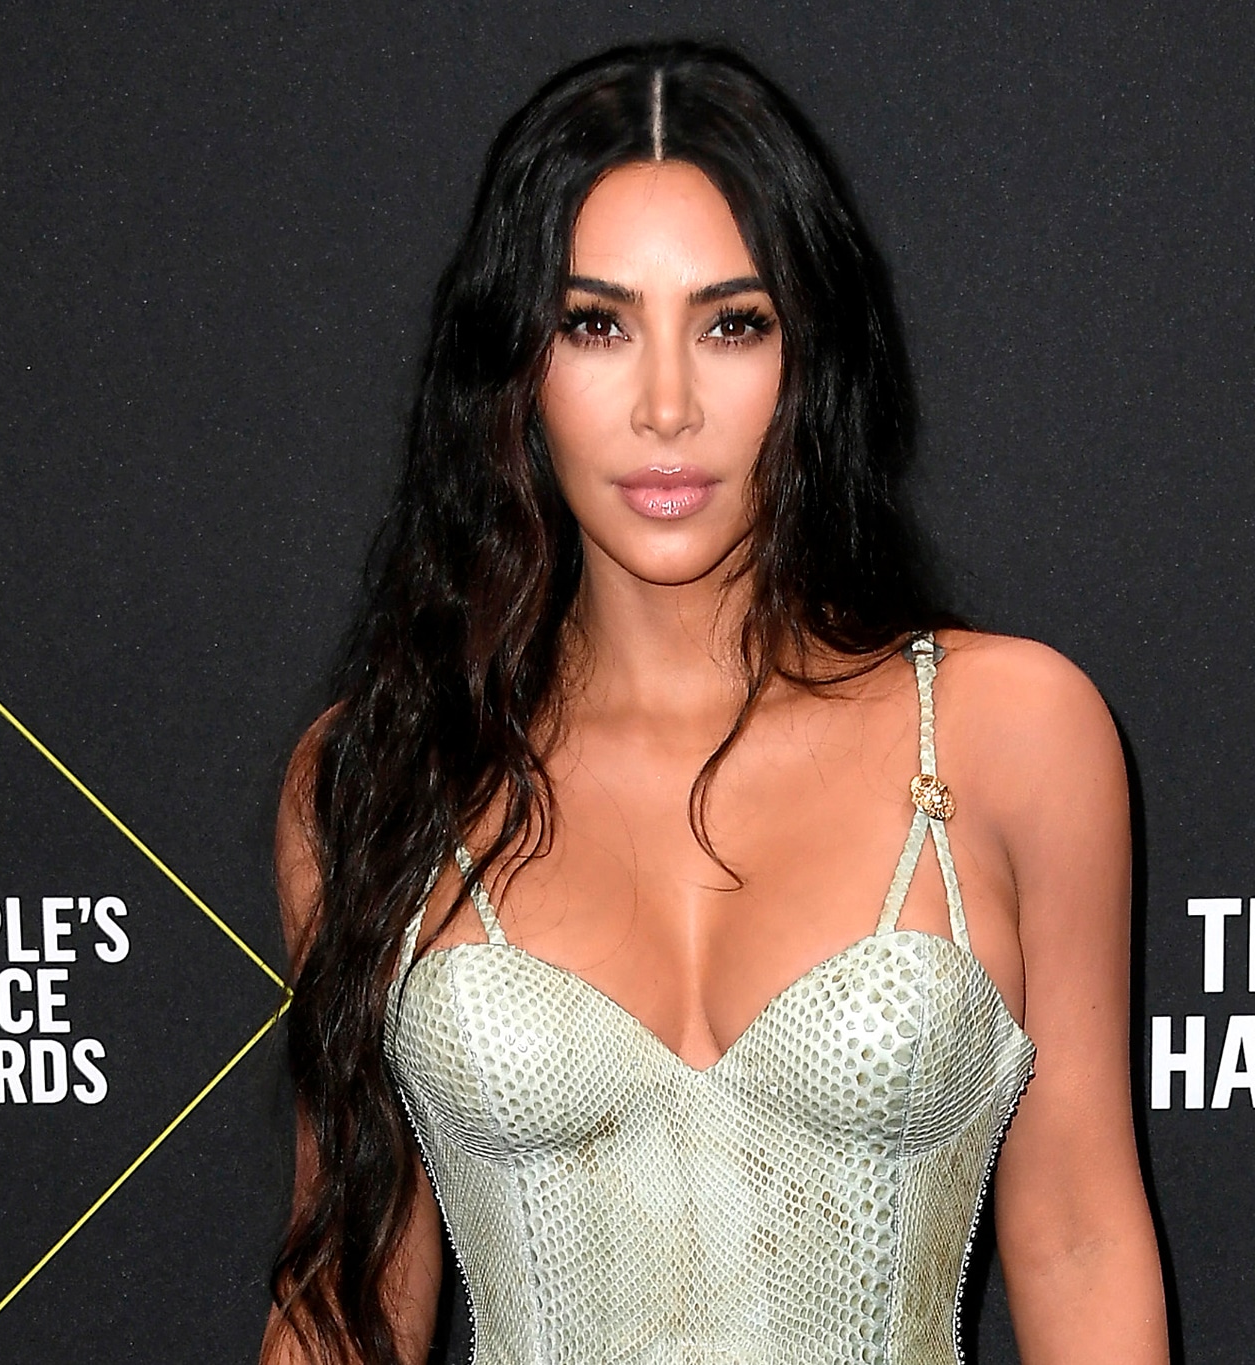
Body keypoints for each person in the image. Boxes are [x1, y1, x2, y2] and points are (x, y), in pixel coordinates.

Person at [265, 39, 1166, 1365]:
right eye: (597, 324)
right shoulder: (381, 774)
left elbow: (1081, 1243)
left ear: (812, 358)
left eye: (732, 323)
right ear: (512, 368)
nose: (668, 406)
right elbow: (343, 1305)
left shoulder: (1009, 733)